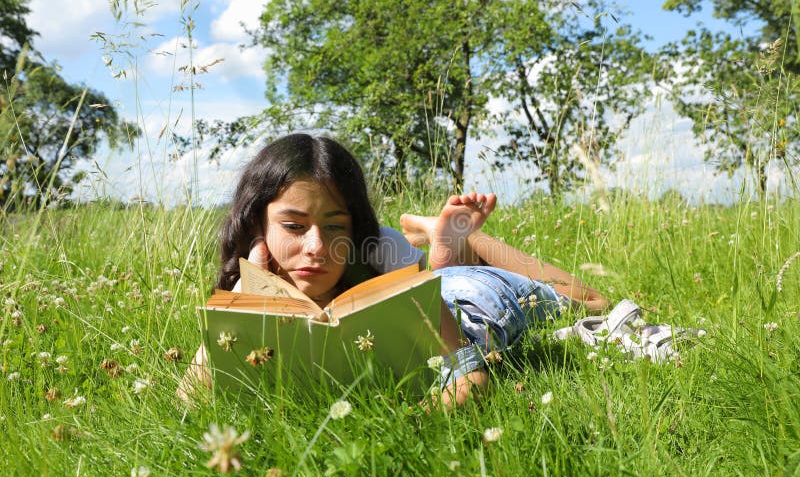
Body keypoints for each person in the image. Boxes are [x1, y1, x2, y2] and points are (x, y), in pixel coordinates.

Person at [179, 133, 609, 407]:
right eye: (293, 226)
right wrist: (246, 293)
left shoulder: (377, 252)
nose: (316, 248)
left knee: (594, 302)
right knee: (438, 274)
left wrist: (411, 423)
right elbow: (189, 401)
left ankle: (462, 242)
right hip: (424, 280)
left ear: (356, 224)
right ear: (257, 223)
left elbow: (470, 380)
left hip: (472, 309)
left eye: (335, 226)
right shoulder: (248, 288)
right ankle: (438, 245)